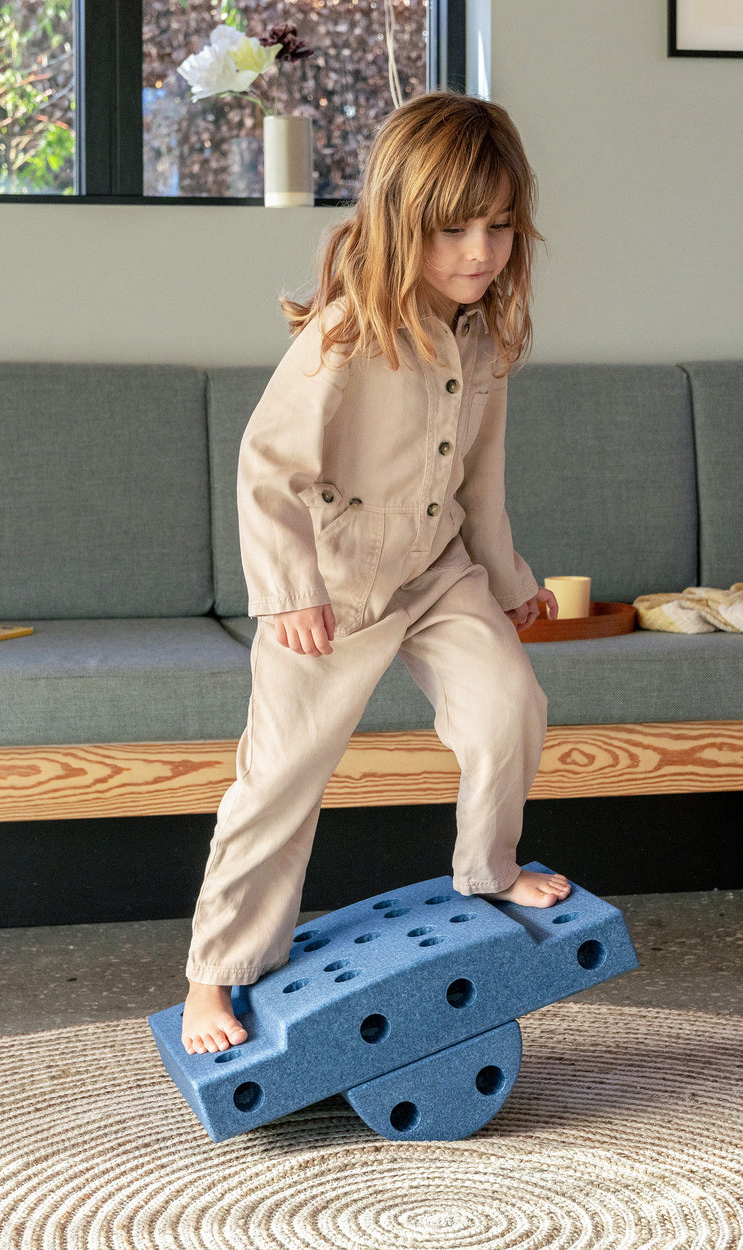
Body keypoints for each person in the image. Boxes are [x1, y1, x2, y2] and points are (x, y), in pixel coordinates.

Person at [182, 91, 570, 1055]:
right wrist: (289, 593)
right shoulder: (348, 336)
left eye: (499, 228)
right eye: (452, 231)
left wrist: (511, 577)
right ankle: (213, 972)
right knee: (280, 779)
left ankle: (487, 867)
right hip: (336, 585)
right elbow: (268, 468)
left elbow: (481, 481)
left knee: (508, 704)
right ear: (400, 223)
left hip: (437, 574)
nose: (480, 252)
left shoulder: (484, 339)